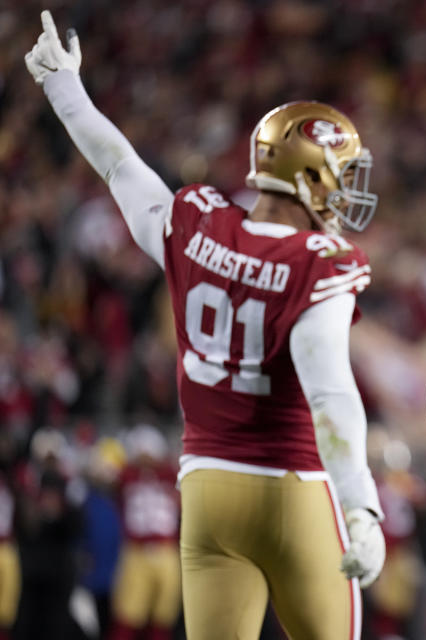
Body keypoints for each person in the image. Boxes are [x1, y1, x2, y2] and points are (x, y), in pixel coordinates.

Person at [26, 10, 385, 640]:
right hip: (292, 486)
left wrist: (64, 86)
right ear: (311, 175)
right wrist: (360, 505)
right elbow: (329, 390)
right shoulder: (317, 261)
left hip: (207, 488)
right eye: (341, 173)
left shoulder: (198, 222)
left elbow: (119, 167)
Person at [109, 425, 180, 640]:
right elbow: (104, 475)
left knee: (163, 619)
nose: (146, 457)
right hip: (136, 551)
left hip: (166, 550)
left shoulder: (171, 474)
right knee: (128, 618)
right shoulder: (126, 476)